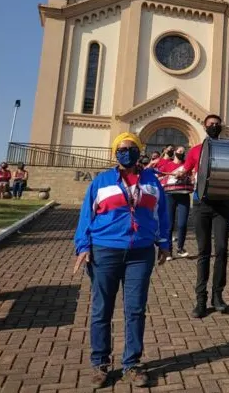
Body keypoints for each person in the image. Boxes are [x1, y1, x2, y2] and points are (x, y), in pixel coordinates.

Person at [73, 132, 170, 388]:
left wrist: (164, 243)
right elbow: (86, 216)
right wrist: (83, 246)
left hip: (140, 253)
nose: (127, 152)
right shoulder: (102, 181)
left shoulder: (152, 181)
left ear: (140, 151)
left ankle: (132, 364)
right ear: (115, 152)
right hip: (105, 251)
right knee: (101, 308)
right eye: (122, 148)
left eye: (131, 148)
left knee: (135, 309)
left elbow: (161, 213)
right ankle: (100, 363)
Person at [172, 114, 229, 318]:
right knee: (203, 251)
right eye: (210, 125)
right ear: (204, 127)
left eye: (217, 124)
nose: (214, 127)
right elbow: (185, 169)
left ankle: (218, 296)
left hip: (222, 204)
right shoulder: (196, 150)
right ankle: (201, 299)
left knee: (222, 250)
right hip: (202, 204)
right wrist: (180, 172)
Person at [157, 146, 193, 259]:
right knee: (169, 224)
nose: (181, 153)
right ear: (175, 152)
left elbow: (193, 176)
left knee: (182, 224)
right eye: (179, 151)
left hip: (184, 195)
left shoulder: (187, 165)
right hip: (169, 195)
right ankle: (168, 250)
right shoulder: (167, 165)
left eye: (183, 151)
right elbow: (158, 176)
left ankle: (180, 248)